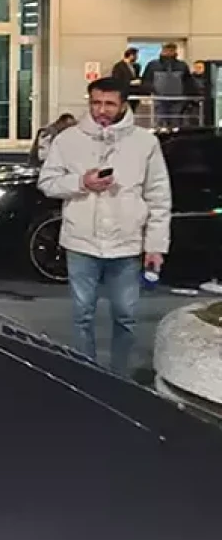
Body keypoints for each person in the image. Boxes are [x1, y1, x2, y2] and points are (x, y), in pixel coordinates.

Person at [38, 76, 172, 376]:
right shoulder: (68, 139)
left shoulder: (145, 143)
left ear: (123, 105)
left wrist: (155, 247)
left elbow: (159, 197)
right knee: (81, 315)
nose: (101, 110)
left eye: (109, 104)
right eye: (96, 102)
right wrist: (81, 182)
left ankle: (119, 377)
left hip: (127, 244)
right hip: (81, 242)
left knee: (125, 316)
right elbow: (47, 182)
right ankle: (86, 375)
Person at [141, 42, 190, 127]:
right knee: (159, 123)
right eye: (167, 49)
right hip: (159, 99)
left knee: (176, 124)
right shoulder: (153, 65)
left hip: (177, 100)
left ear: (175, 51)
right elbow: (146, 81)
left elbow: (187, 82)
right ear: (162, 50)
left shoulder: (182, 65)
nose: (169, 52)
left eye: (171, 50)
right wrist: (154, 90)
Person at [110, 47, 142, 111]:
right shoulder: (119, 66)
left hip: (134, 95)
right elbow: (116, 81)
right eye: (136, 56)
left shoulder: (135, 66)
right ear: (131, 55)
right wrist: (130, 83)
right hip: (124, 94)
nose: (137, 58)